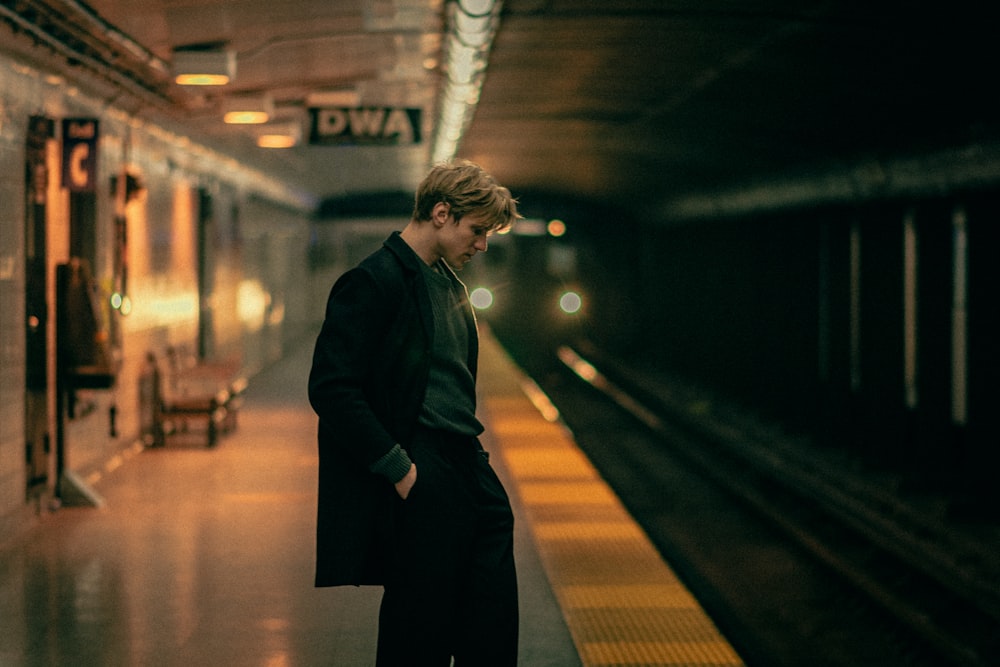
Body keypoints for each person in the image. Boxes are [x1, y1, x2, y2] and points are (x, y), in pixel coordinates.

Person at [308, 159, 522, 666]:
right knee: (419, 626)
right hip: (424, 469)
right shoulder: (374, 281)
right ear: (441, 214)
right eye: (477, 231)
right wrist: (399, 468)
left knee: (489, 620)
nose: (482, 245)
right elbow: (332, 387)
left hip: (468, 464)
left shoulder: (450, 283)